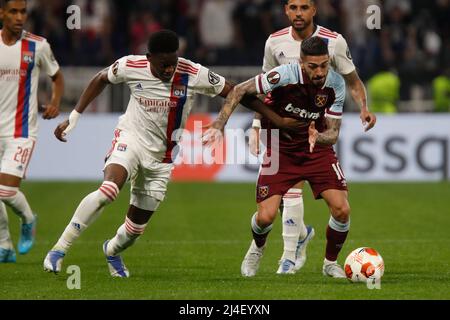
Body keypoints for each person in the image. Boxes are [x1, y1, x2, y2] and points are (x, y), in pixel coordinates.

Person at [42, 30, 299, 277]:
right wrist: (74, 118)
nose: (169, 69)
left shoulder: (191, 72)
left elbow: (236, 91)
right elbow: (100, 78)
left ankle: (111, 250)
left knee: (134, 231)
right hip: (130, 139)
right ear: (149, 58)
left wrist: (276, 119)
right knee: (108, 190)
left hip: (162, 157)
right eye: (163, 64)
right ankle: (59, 249)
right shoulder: (131, 65)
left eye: (172, 63)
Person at [204, 36, 351, 278]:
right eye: (313, 66)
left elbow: (333, 133)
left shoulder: (336, 84)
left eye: (324, 65)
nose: (320, 72)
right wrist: (219, 123)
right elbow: (240, 90)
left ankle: (329, 263)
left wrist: (318, 137)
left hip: (316, 151)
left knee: (342, 209)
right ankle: (257, 248)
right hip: (281, 150)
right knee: (265, 217)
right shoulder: (284, 75)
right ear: (302, 63)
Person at [248, 0, 376, 274]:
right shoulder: (274, 42)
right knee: (286, 196)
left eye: (304, 7)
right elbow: (264, 90)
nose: (298, 13)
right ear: (285, 10)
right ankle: (288, 256)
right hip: (282, 133)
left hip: (316, 130)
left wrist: (363, 106)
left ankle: (318, 259)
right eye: (293, 7)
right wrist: (257, 125)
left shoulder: (334, 42)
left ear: (314, 10)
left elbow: (352, 81)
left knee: (340, 209)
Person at [0, 0, 64, 263]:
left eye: (23, 11)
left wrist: (55, 103)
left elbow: (57, 77)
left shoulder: (38, 45)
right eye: (13, 11)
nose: (19, 17)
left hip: (21, 131)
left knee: (4, 191)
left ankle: (28, 219)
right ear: (1, 13)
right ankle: (4, 245)